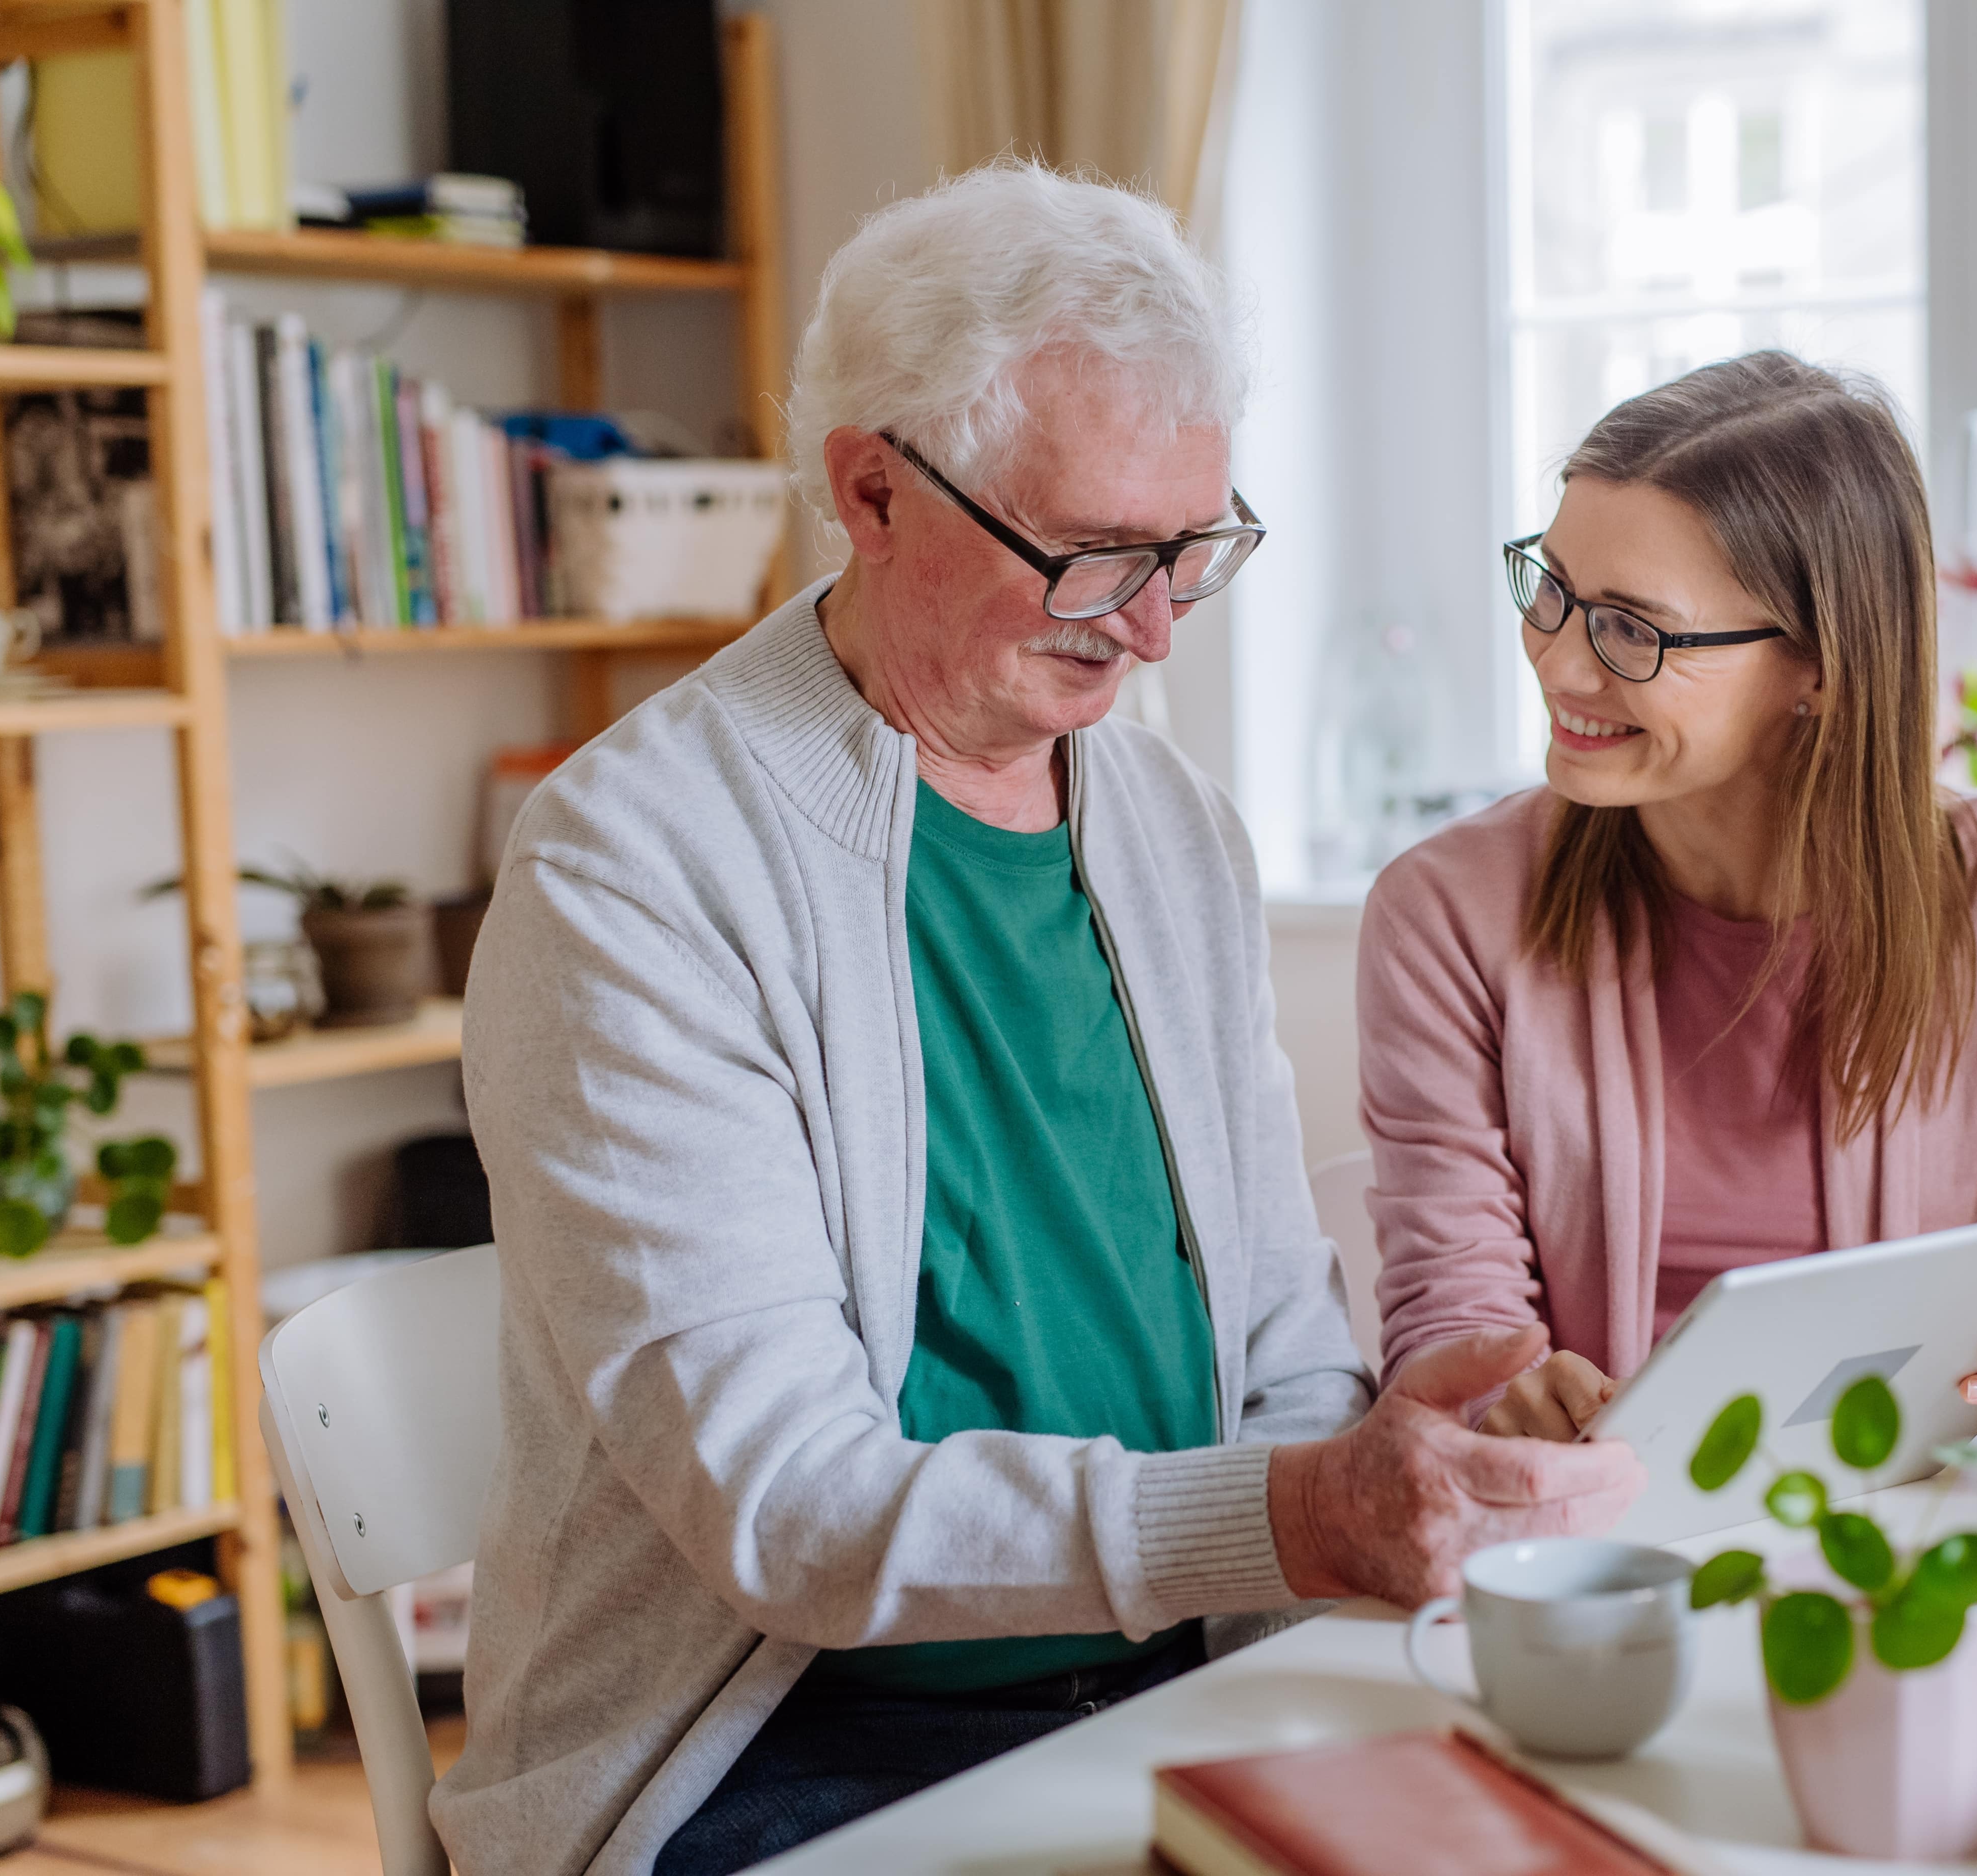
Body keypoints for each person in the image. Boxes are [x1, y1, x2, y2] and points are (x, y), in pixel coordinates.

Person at [433, 164, 1642, 1876]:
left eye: (1190, 551)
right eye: (1091, 557)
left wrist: (1391, 1437)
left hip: (1180, 1671)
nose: (1150, 630)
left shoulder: (1165, 828)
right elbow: (790, 1516)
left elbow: (1280, 1341)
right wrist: (1301, 1512)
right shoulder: (630, 867)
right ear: (871, 489)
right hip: (780, 1755)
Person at [1359, 353, 1977, 1463]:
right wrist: (1497, 1395)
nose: (1560, 664)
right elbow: (1449, 1318)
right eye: (1554, 588)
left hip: (1888, 1536)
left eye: (1632, 628)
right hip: (1592, 1555)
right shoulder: (1448, 914)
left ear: (1815, 664)